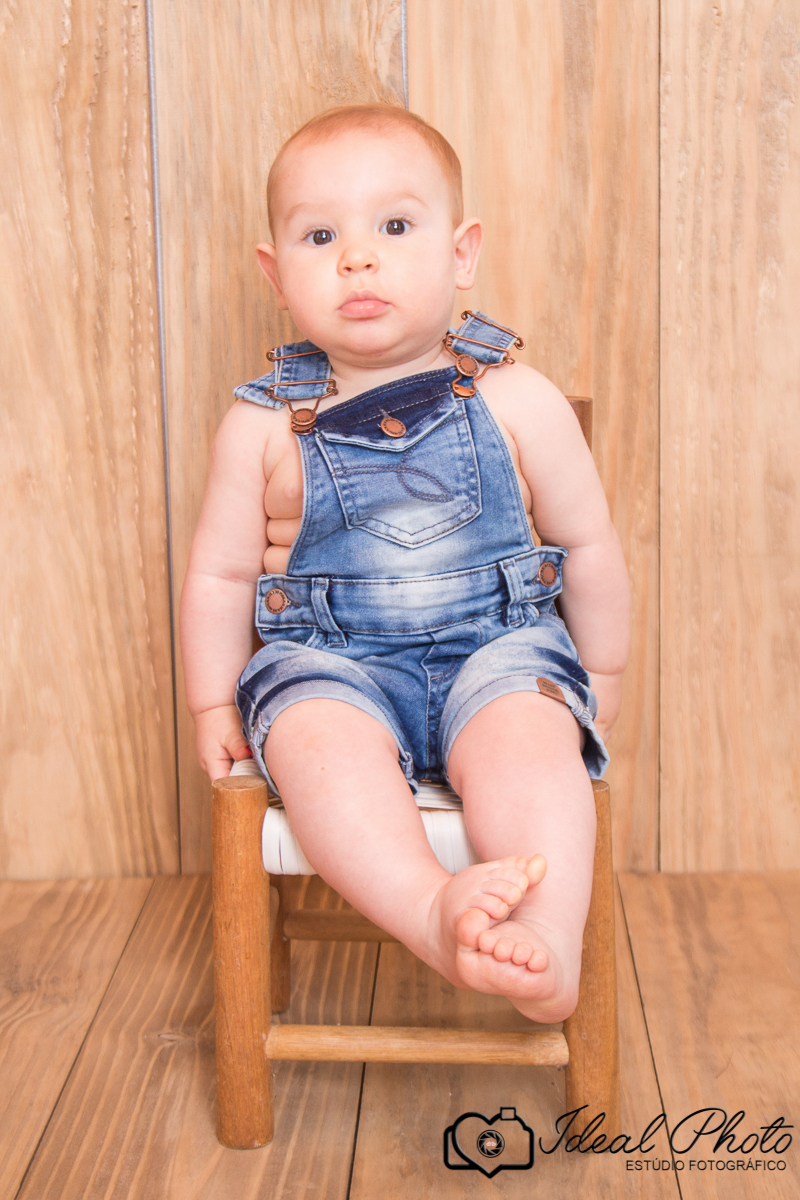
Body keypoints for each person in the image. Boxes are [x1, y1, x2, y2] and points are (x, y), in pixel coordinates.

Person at [179, 104, 630, 1023]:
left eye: (394, 225)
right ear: (276, 274)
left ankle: (541, 940)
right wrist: (212, 699)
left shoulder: (518, 398)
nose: (358, 257)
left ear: (461, 253)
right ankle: (431, 912)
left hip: (496, 653)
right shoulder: (261, 425)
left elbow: (588, 544)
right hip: (331, 665)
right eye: (320, 234)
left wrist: (605, 670)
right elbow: (220, 578)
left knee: (531, 749)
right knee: (316, 752)